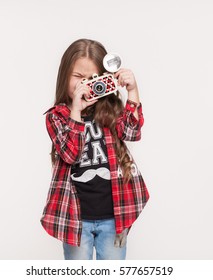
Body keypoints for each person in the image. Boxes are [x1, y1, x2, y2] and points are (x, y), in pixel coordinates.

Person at [40, 38, 149, 260]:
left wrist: (133, 90)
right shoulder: (57, 116)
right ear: (65, 76)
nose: (85, 84)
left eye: (92, 79)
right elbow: (70, 153)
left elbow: (132, 132)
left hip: (115, 215)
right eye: (78, 78)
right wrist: (76, 112)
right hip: (75, 220)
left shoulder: (110, 109)